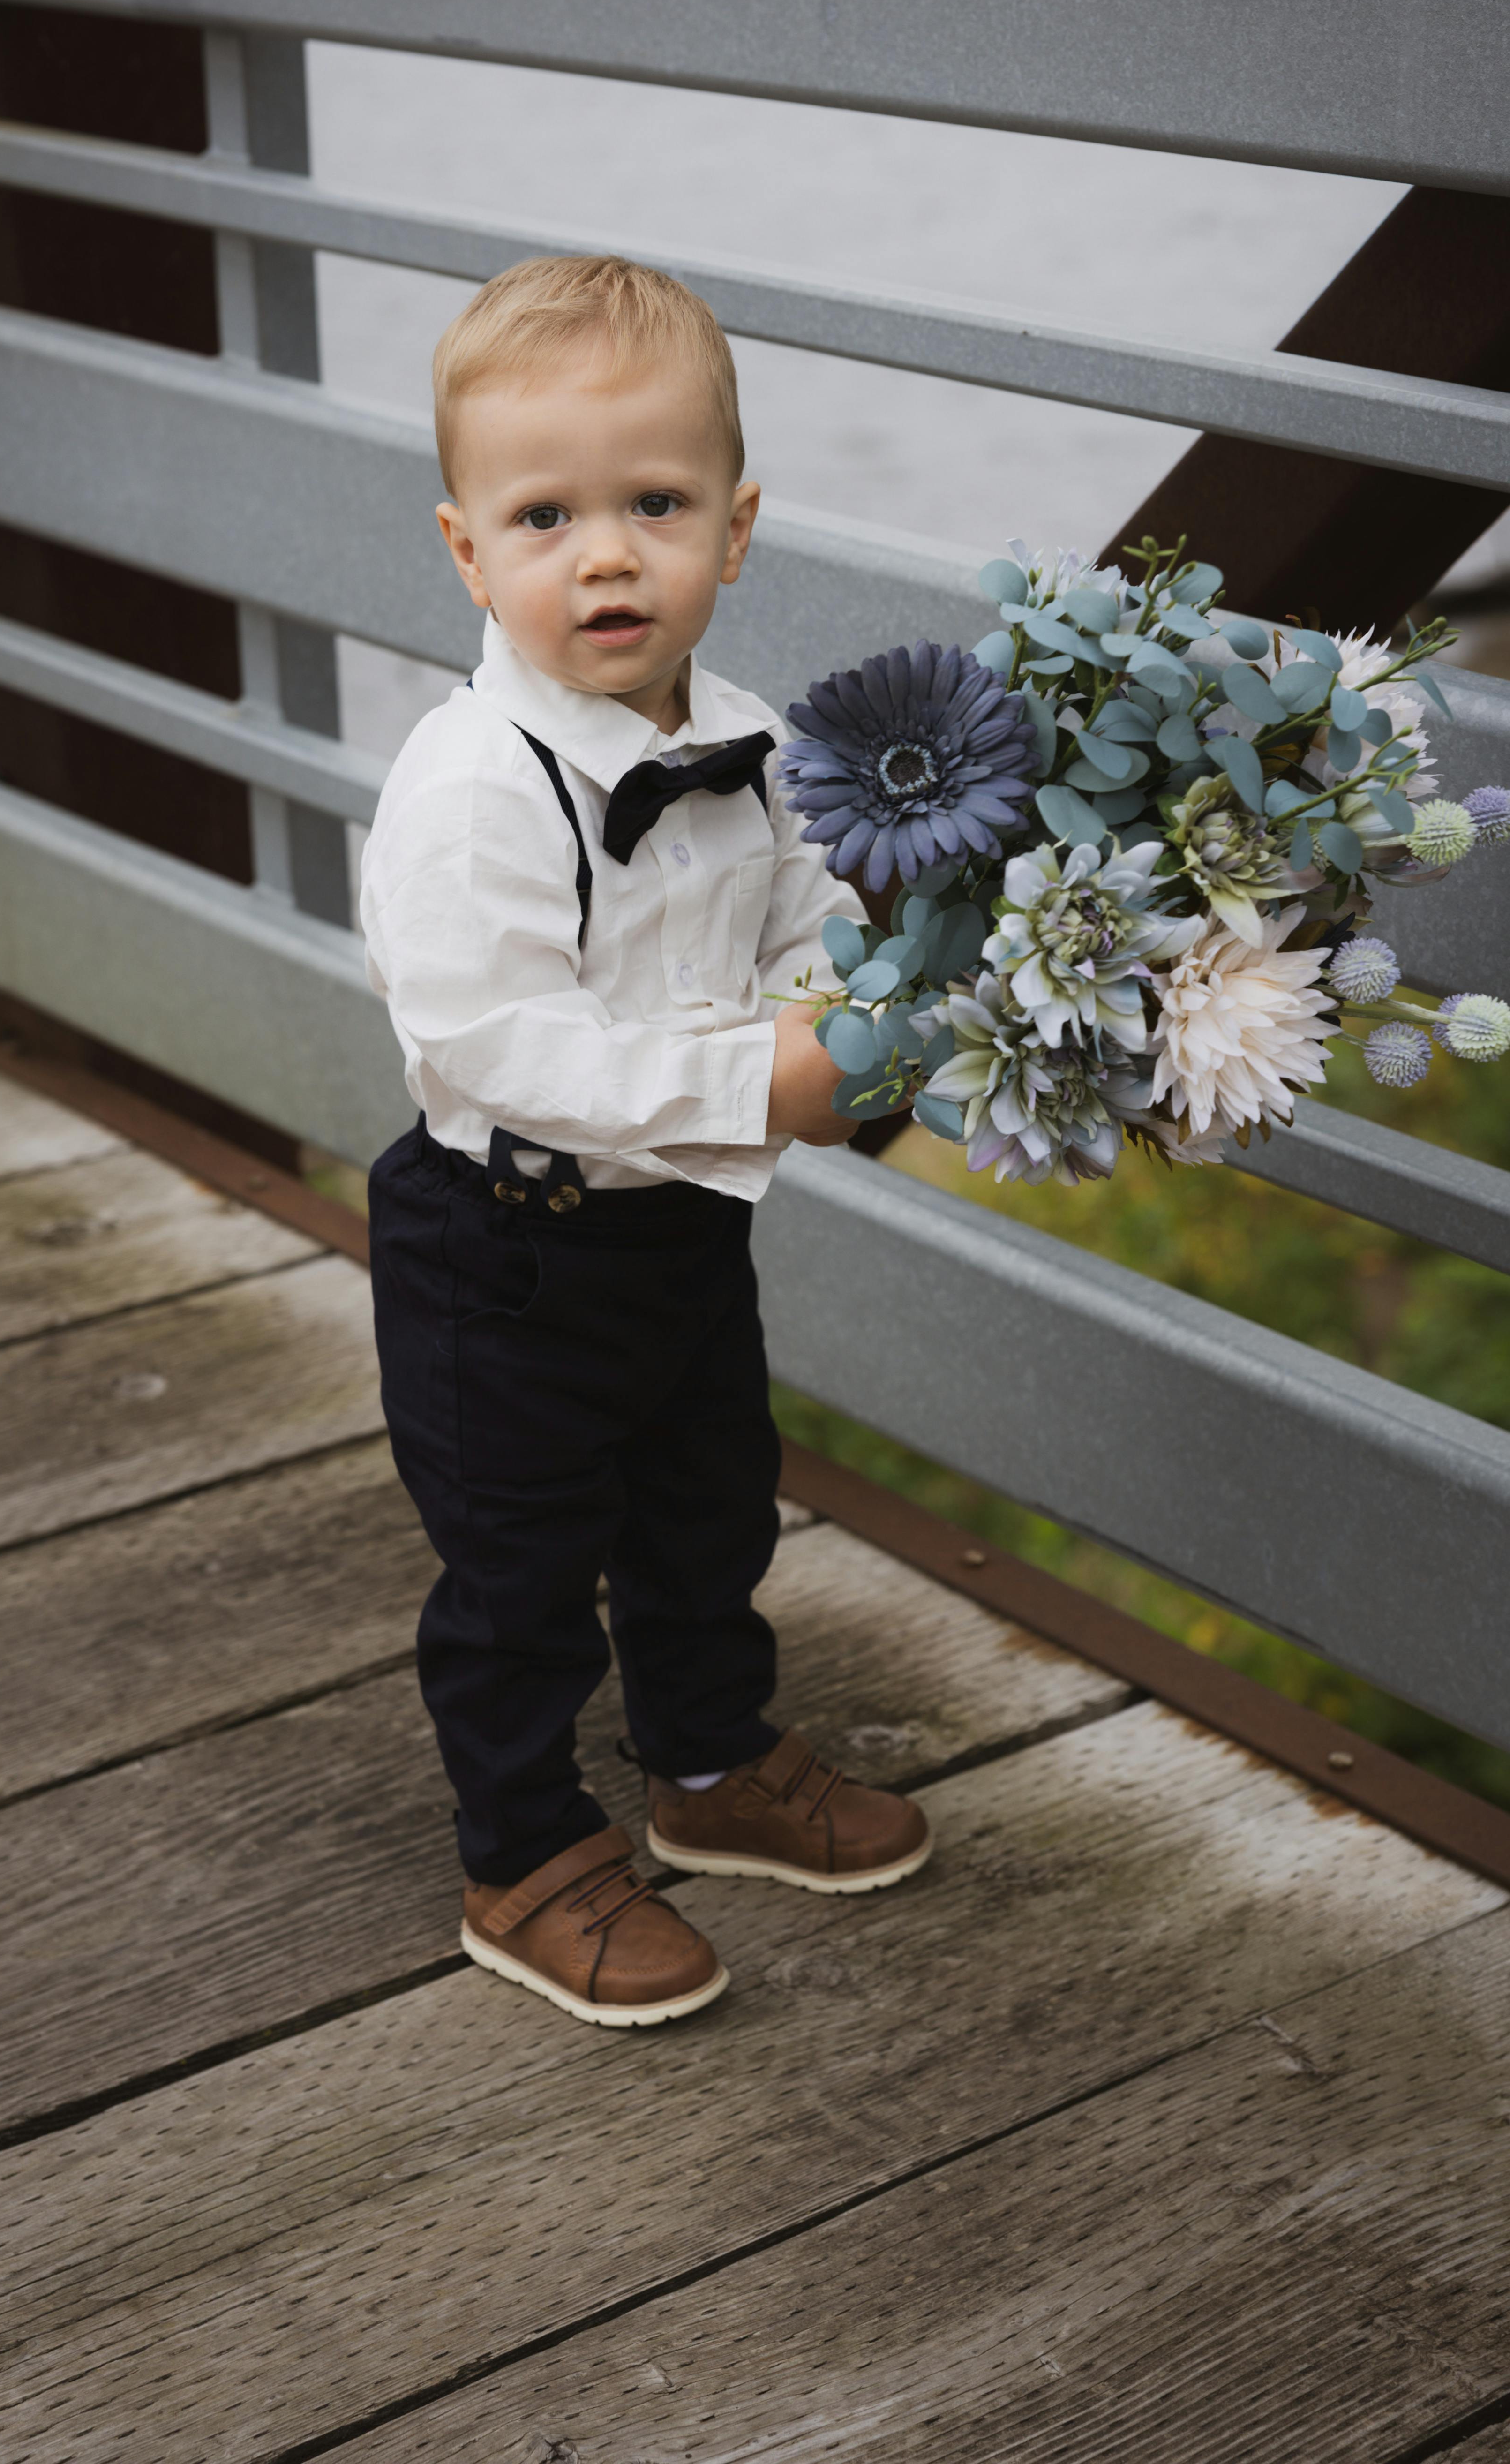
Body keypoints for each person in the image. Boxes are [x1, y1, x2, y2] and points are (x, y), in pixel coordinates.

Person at [361, 254, 931, 2029]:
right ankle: (523, 1853)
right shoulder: (469, 790)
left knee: (707, 1503)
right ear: (468, 550)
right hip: (503, 1248)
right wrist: (762, 1082)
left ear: (736, 527)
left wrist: (847, 1016)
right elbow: (503, 1043)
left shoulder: (753, 743)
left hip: (679, 1233)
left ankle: (707, 1763)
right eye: (546, 515)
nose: (605, 555)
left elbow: (792, 934)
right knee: (522, 1566)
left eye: (656, 505)